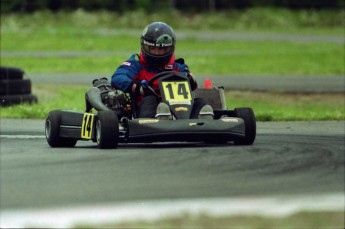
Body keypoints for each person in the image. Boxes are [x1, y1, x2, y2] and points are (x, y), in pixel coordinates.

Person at [111, 22, 213, 119]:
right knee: (150, 101)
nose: (157, 53)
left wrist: (191, 78)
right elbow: (117, 78)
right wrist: (137, 88)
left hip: (181, 109)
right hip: (144, 108)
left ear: (170, 48)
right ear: (144, 46)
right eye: (152, 48)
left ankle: (203, 127)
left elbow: (192, 82)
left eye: (162, 49)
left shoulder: (177, 67)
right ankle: (160, 119)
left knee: (201, 103)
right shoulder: (136, 65)